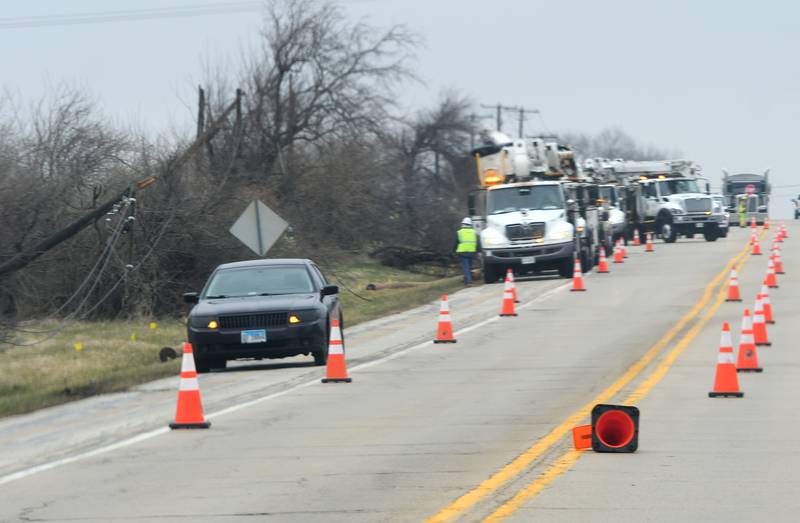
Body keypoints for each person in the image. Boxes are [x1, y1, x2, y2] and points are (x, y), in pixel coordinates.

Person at [454, 217, 479, 286]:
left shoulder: (459, 232)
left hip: (463, 252)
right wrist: (478, 251)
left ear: (462, 224)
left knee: (466, 267)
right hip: (471, 252)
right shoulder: (474, 232)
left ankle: (468, 282)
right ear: (470, 224)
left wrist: (454, 250)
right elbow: (478, 242)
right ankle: (467, 279)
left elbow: (455, 243)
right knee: (469, 267)